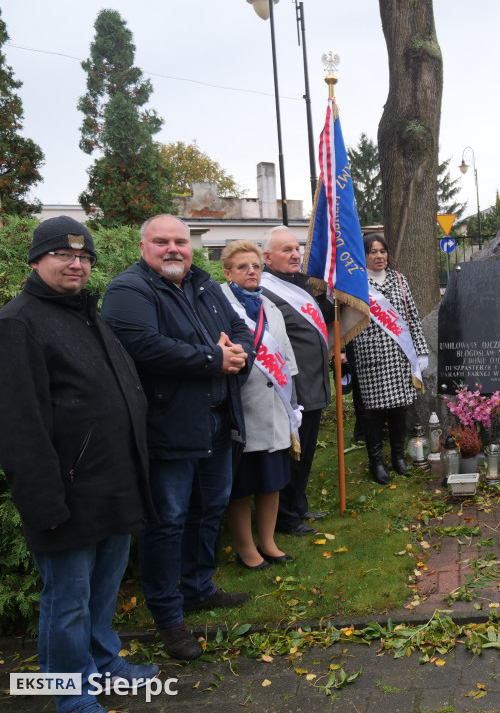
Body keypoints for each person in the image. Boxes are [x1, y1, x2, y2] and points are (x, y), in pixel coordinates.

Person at [0, 218, 158, 713]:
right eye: (64, 256)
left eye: (85, 257)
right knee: (66, 602)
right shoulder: (18, 322)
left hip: (112, 485)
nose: (76, 264)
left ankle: (104, 663)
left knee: (102, 591)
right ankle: (69, 695)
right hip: (65, 496)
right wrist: (43, 503)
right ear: (36, 260)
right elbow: (18, 424)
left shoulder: (86, 313)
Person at [102, 214, 254, 661]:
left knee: (209, 509)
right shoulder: (129, 290)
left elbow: (240, 327)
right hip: (168, 426)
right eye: (162, 241)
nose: (173, 249)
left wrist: (237, 351)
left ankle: (199, 588)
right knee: (167, 521)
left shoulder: (204, 285)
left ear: (192, 247)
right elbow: (143, 345)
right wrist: (213, 357)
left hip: (216, 421)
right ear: (143, 246)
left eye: (180, 242)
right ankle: (168, 616)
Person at [220, 241, 300, 571]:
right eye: (242, 267)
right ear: (227, 272)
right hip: (242, 407)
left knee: (271, 481)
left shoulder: (270, 306)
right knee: (242, 485)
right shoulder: (218, 304)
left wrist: (293, 403)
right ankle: (246, 547)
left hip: (274, 407)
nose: (251, 271)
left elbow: (285, 357)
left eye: (255, 266)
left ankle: (267, 541)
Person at [260, 226, 332, 537]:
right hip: (292, 389)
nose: (296, 254)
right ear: (267, 256)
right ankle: (286, 518)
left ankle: (298, 505)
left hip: (314, 383)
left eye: (297, 248)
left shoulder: (297, 285)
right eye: (286, 249)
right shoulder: (264, 290)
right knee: (293, 454)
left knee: (308, 452)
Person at [351, 233, 428, 484]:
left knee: (398, 408)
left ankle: (398, 457)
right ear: (363, 256)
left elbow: (412, 318)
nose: (379, 256)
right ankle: (376, 463)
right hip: (370, 356)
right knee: (373, 412)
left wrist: (421, 350)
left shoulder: (399, 280)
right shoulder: (355, 283)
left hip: (399, 356)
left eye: (382, 251)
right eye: (373, 252)